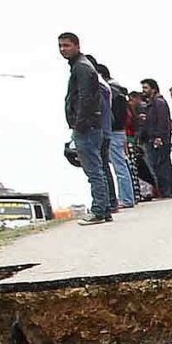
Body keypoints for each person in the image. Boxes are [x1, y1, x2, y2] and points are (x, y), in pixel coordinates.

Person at [61, 33, 116, 223]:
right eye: (60, 46)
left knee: (93, 169)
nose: (63, 49)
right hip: (91, 124)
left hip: (87, 126)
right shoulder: (80, 67)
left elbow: (86, 98)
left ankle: (100, 209)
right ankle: (105, 207)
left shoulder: (82, 68)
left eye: (67, 45)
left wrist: (80, 123)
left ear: (76, 46)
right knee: (97, 168)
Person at [95, 58, 139, 208]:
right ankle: (127, 197)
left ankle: (126, 199)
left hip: (114, 131)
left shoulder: (110, 91)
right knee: (122, 165)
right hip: (120, 131)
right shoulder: (118, 90)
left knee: (119, 166)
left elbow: (113, 115)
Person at [134, 78, 172, 199]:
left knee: (161, 166)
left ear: (153, 89)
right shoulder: (151, 104)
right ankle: (168, 191)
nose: (143, 91)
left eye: (146, 88)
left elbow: (162, 121)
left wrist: (158, 137)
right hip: (153, 138)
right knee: (160, 165)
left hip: (158, 139)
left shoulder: (159, 103)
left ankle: (166, 191)